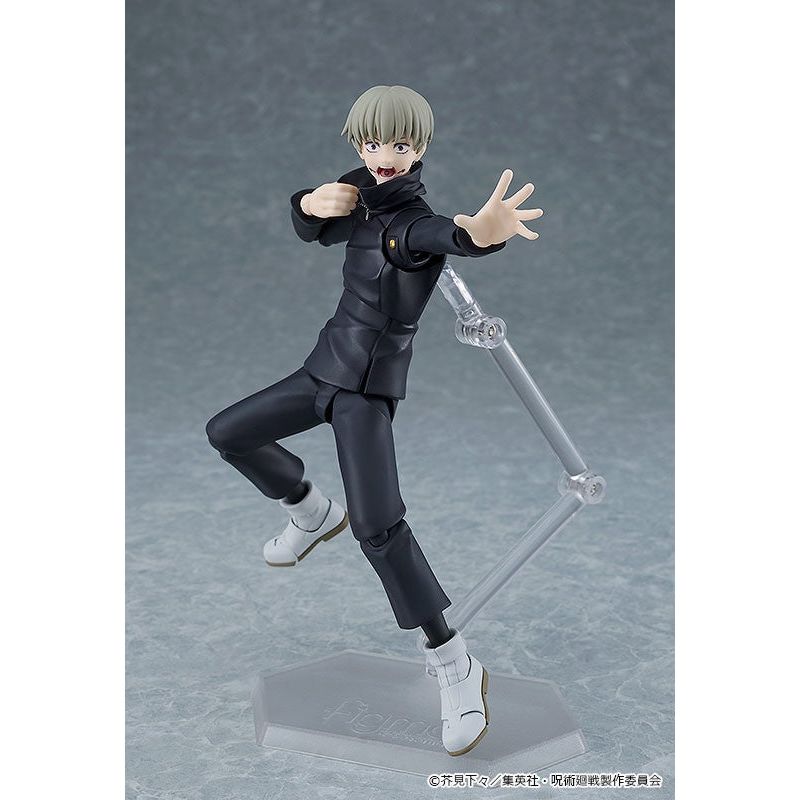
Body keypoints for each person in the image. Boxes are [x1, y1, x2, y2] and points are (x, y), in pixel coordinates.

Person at [206, 85, 542, 756]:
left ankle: (454, 661)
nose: (382, 154)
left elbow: (449, 235)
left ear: (419, 148)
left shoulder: (409, 223)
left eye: (398, 143)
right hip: (322, 369)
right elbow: (316, 224)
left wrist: (480, 234)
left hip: (364, 393)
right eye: (371, 142)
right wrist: (308, 203)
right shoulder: (360, 199)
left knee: (379, 528)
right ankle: (309, 510)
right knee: (229, 432)